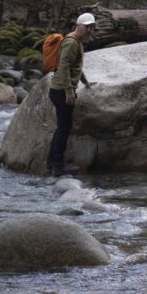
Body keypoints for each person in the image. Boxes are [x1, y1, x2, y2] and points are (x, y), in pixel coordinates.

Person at [46, 12, 96, 176]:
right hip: (61, 91)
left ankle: (51, 163)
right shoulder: (72, 43)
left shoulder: (78, 42)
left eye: (91, 27)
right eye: (87, 27)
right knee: (64, 128)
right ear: (78, 26)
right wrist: (69, 90)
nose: (89, 30)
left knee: (62, 127)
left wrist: (85, 82)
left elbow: (76, 67)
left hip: (60, 89)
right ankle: (57, 166)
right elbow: (64, 67)